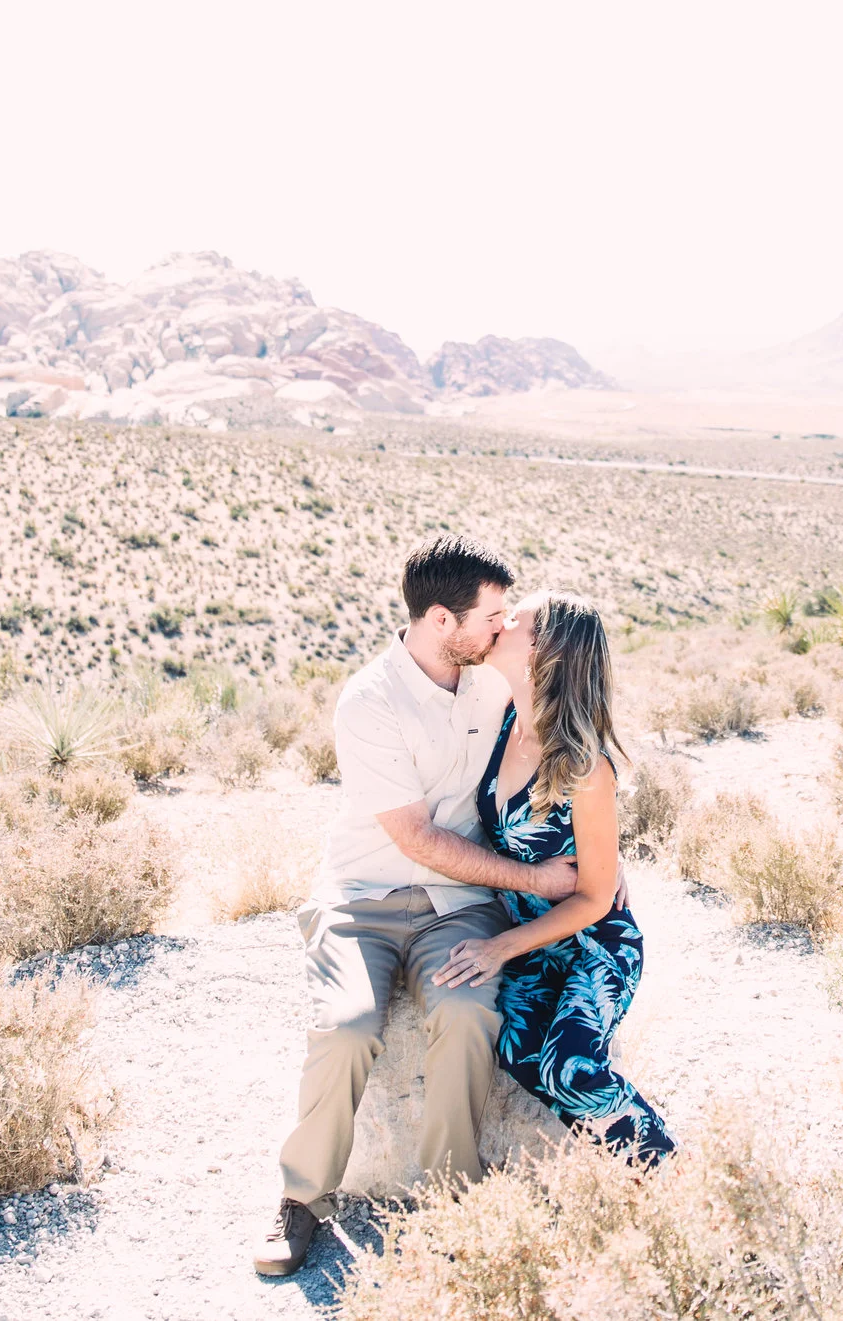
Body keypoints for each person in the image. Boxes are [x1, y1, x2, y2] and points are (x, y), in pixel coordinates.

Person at [254, 535, 585, 1279]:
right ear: (442, 620)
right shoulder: (369, 701)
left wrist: (606, 857)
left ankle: (452, 1198)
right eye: (491, 614)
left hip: (459, 907)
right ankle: (302, 1197)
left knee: (467, 1014)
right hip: (362, 898)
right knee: (346, 1028)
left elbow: (576, 715)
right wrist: (537, 884)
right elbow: (416, 837)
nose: (502, 627)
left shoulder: (491, 676)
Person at [432, 592, 674, 1164]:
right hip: (537, 946)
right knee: (516, 1049)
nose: (500, 621)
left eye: (515, 618)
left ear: (544, 650)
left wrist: (499, 947)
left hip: (594, 943)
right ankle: (628, 1168)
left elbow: (594, 896)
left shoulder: (584, 765)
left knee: (569, 1067)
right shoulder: (504, 720)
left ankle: (674, 1178)